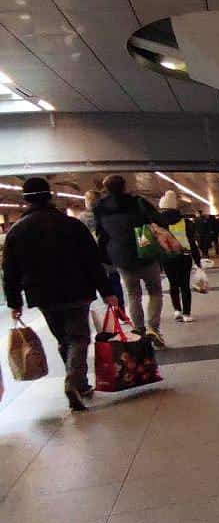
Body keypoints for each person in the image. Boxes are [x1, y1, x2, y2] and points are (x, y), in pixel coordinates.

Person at [3, 178, 119, 411]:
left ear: (25, 199)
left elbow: (10, 271)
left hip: (43, 295)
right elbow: (92, 261)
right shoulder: (72, 225)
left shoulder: (17, 230)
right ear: (50, 196)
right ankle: (74, 382)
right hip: (77, 290)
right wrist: (107, 291)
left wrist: (14, 302)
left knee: (64, 339)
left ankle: (79, 383)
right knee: (79, 338)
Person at [93, 174, 167, 347]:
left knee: (133, 294)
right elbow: (159, 220)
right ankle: (153, 329)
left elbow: (100, 234)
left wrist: (106, 257)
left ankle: (140, 331)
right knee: (155, 291)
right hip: (145, 251)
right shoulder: (138, 202)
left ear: (106, 189)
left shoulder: (100, 207)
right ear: (125, 186)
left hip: (121, 257)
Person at [156, 191, 201, 323]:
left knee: (173, 284)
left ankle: (177, 311)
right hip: (184, 256)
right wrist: (197, 261)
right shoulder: (186, 222)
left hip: (167, 257)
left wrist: (158, 263)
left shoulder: (158, 224)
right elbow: (192, 243)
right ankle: (187, 314)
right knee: (185, 285)